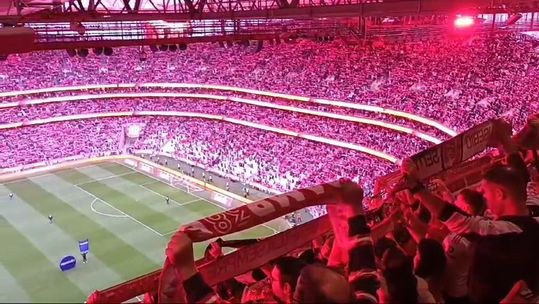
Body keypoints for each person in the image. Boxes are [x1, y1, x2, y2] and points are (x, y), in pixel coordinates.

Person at [398, 161, 539, 304]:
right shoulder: (530, 224)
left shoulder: (508, 232)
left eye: (484, 191)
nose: (483, 197)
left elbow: (457, 219)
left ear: (499, 194)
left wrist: (416, 188)